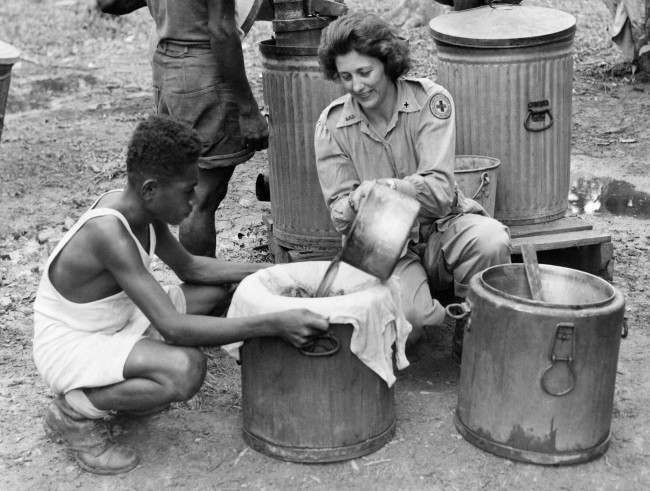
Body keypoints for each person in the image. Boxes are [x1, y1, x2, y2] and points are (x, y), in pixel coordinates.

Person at [33, 116, 328, 475]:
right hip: (72, 344)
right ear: (151, 189)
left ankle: (133, 383)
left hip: (121, 321)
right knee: (185, 370)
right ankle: (74, 411)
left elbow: (193, 269)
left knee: (216, 291)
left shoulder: (142, 208)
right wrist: (273, 324)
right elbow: (173, 328)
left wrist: (277, 271)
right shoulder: (108, 233)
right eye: (187, 191)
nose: (193, 200)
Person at [314, 13, 511, 360]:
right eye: (346, 76)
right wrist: (357, 203)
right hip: (383, 242)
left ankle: (475, 335)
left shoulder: (431, 102)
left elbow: (438, 194)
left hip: (444, 226)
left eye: (365, 72)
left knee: (491, 239)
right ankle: (432, 312)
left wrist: (385, 187)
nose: (357, 86)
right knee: (411, 323)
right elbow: (340, 218)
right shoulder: (332, 126)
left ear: (388, 63)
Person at [98, 0, 268, 257]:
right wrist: (248, 109)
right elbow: (222, 31)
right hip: (202, 70)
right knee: (203, 196)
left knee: (191, 186)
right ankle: (203, 287)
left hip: (167, 64)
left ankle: (190, 277)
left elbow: (109, 3)